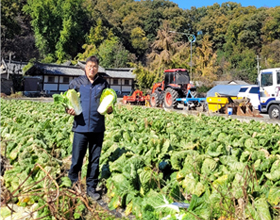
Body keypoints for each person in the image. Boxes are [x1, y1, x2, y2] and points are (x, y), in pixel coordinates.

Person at [66, 55, 113, 200]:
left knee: (95, 160)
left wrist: (110, 109)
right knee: (77, 159)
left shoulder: (103, 84)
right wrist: (68, 110)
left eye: (94, 66)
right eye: (89, 66)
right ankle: (74, 184)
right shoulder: (77, 83)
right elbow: (67, 103)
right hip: (80, 127)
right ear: (85, 67)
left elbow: (109, 104)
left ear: (97, 68)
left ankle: (91, 188)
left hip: (97, 128)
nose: (91, 69)